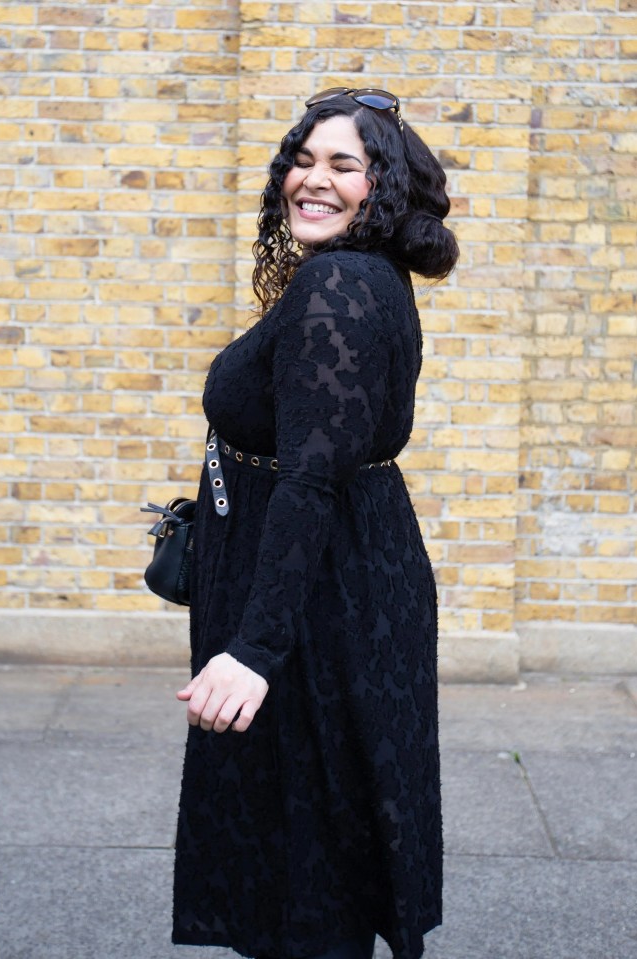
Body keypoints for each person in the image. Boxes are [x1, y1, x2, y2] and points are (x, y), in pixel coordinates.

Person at [171, 87, 459, 959]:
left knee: (308, 852)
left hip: (315, 600)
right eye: (304, 158)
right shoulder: (360, 277)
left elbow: (309, 478)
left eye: (344, 164)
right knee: (317, 840)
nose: (314, 179)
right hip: (330, 577)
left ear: (383, 187)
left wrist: (256, 648)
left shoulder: (339, 284)